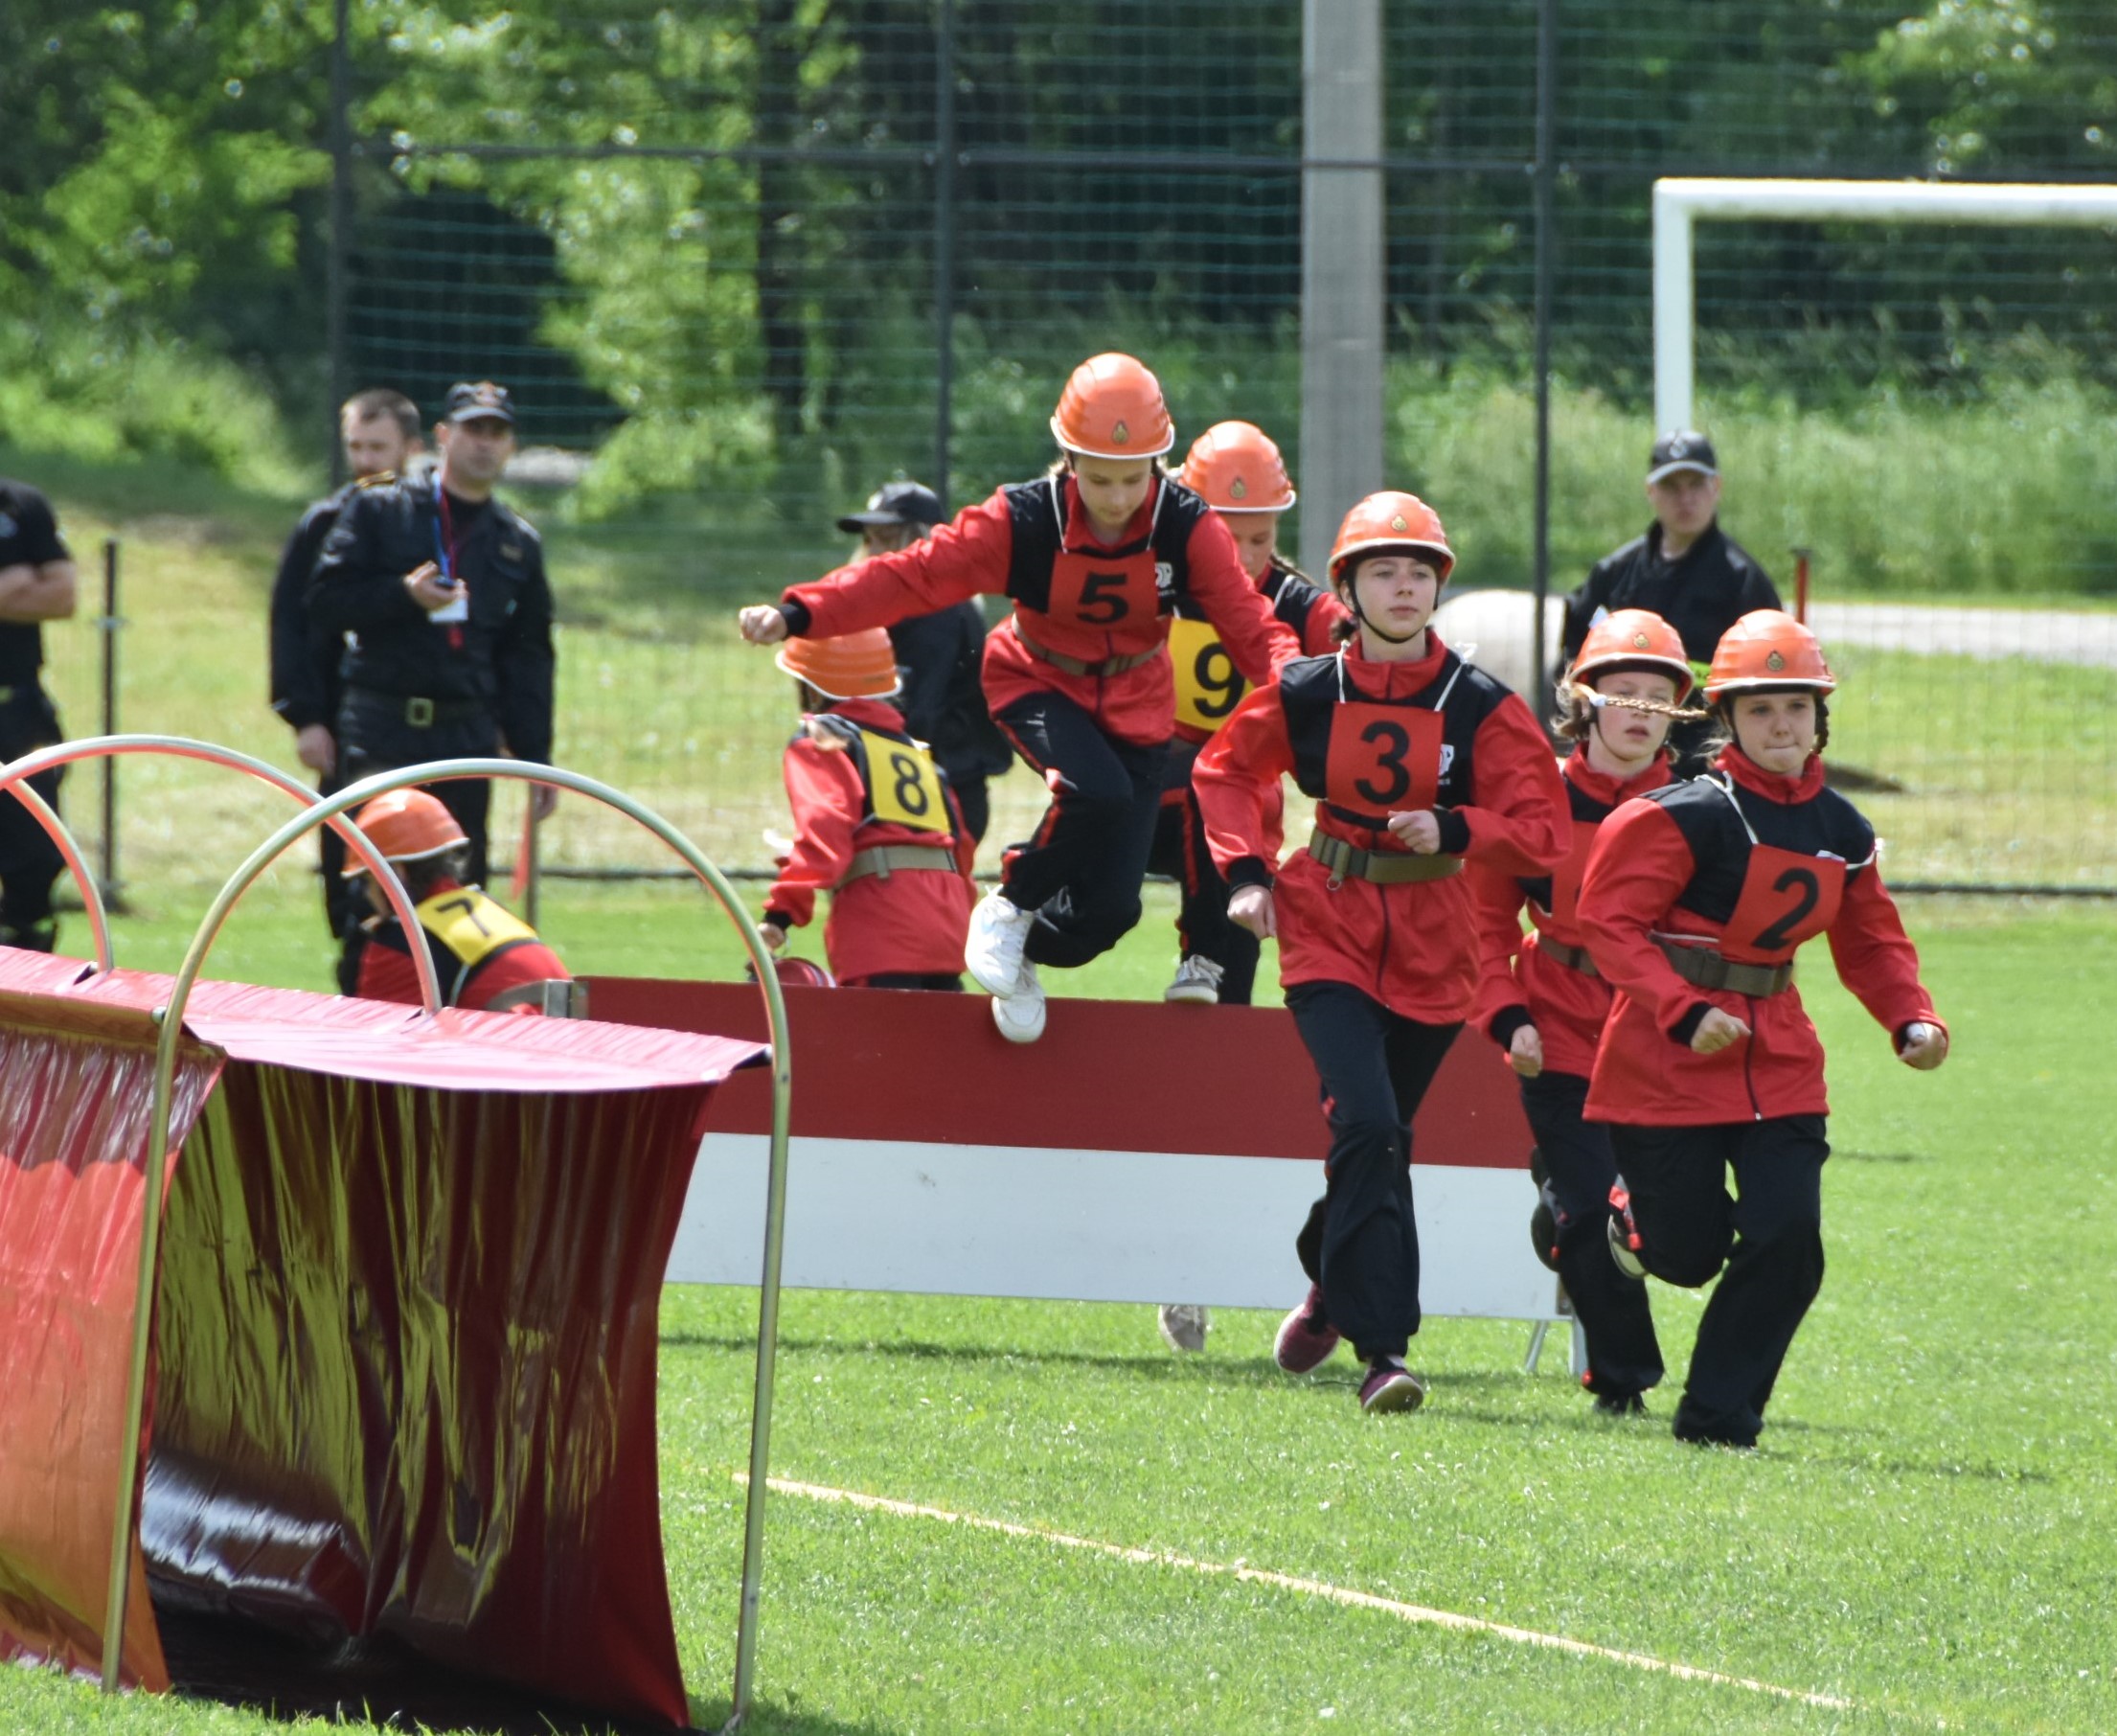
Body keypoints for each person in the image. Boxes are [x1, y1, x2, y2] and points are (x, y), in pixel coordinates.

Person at [738, 353, 1300, 1043]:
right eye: (1098, 478)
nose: (1118, 498)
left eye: (1132, 478)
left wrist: (1298, 681)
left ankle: (1020, 955)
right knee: (1097, 791)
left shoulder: (1186, 526)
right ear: (1066, 459)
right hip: (1036, 680)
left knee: (1108, 916)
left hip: (1140, 701)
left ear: (1159, 465)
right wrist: (799, 614)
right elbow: (911, 577)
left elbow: (1250, 624)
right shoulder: (1022, 519)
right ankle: (1008, 902)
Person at [1193, 492, 1568, 1414]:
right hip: (1324, 923)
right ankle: (1385, 1353)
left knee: (1380, 1140)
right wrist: (1244, 872)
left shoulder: (1481, 705)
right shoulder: (1307, 689)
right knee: (1369, 1128)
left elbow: (1543, 831)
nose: (1404, 587)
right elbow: (1227, 771)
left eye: (1420, 572)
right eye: (1384, 571)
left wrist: (1454, 822)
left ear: (1439, 586)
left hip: (1439, 942)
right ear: (1347, 589)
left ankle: (1330, 1275)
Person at [1577, 609, 1948, 1449]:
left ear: (1822, 719)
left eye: (1796, 708)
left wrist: (1912, 1016)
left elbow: (1873, 943)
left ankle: (1717, 1421)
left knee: (1789, 1237)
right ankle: (1626, 1224)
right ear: (1727, 721)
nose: (1782, 726)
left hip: (1778, 1057)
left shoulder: (1843, 832)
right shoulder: (1681, 815)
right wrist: (1682, 1008)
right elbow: (1609, 925)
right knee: (1686, 1257)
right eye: (1760, 710)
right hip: (1665, 1058)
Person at [1468, 608, 1699, 1416]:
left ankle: (1557, 1213)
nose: (1639, 712)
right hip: (1557, 1025)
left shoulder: (1699, 809)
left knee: (1666, 1233)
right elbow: (1485, 922)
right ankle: (1623, 1381)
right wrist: (1505, 1014)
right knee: (1593, 1207)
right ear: (1585, 700)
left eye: (1660, 699)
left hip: (1661, 1036)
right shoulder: (1536, 803)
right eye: (1623, 692)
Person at [309, 380, 558, 988]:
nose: (484, 443)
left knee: (459, 894)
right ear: (444, 436)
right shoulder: (380, 509)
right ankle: (359, 1024)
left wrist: (535, 759)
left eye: (496, 432)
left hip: (463, 732)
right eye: (473, 429)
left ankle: (453, 1033)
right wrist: (402, 595)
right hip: (383, 724)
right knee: (367, 889)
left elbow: (528, 659)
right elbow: (323, 600)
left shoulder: (517, 543)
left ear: (510, 446)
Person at [1152, 421, 1348, 1010]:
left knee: (1228, 1003)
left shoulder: (1299, 605)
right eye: (1224, 539)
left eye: (1259, 540)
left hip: (1236, 839)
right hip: (1144, 804)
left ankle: (1210, 972)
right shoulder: (1149, 585)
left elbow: (1351, 639)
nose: (1240, 559)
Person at [269, 388, 423, 942]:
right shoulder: (324, 522)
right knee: (353, 867)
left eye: (377, 447)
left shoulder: (429, 524)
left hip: (418, 714)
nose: (365, 461)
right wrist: (306, 716)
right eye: (355, 446)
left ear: (412, 447)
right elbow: (290, 624)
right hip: (344, 723)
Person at [760, 627, 976, 990]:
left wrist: (779, 916)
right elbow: (961, 847)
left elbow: (825, 825)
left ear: (811, 689)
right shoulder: (917, 752)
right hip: (949, 929)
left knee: (872, 1045)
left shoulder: (821, 741)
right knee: (935, 1046)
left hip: (881, 930)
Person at [1562, 430, 1781, 771]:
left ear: (1716, 488)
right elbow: (1572, 660)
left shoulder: (1743, 582)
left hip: (1703, 760)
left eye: (1696, 484)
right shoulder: (1614, 573)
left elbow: (1768, 683)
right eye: (1671, 487)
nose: (1685, 499)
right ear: (1650, 491)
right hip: (1620, 759)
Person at [836, 481, 1013, 846]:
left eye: (887, 537)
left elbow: (916, 715)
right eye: (870, 539)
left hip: (937, 792)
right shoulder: (910, 607)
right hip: (925, 787)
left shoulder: (936, 611)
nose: (874, 551)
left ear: (921, 541)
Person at [344, 788, 571, 1012]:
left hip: (506, 1046)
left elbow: (381, 1043)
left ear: (395, 874)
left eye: (367, 879)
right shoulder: (490, 907)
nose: (366, 894)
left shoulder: (402, 942)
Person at [0, 479, 77, 951]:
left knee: (35, 854)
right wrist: (14, 582)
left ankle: (27, 998)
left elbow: (63, 596)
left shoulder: (23, 505)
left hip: (17, 711)